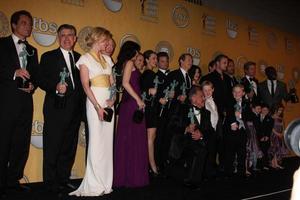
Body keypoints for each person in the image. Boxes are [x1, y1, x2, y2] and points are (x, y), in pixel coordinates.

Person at [69, 27, 115, 196]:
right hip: (95, 102)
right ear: (96, 40)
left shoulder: (108, 59)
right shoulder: (85, 59)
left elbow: (113, 83)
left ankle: (105, 183)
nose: (108, 43)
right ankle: (94, 184)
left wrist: (113, 98)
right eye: (105, 40)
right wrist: (97, 107)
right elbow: (85, 86)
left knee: (107, 144)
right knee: (96, 143)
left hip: (109, 103)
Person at [39, 24, 84, 192]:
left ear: (75, 38)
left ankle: (63, 180)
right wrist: (55, 86)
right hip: (56, 110)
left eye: (70, 35)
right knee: (52, 148)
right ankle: (50, 184)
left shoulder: (81, 58)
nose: (66, 38)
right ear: (58, 38)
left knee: (68, 148)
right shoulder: (48, 56)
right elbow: (41, 79)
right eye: (63, 35)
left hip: (75, 110)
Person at [0, 10, 38, 195]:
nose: (28, 26)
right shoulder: (1, 44)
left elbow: (35, 75)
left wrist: (33, 86)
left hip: (25, 103)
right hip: (5, 104)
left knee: (20, 145)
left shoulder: (33, 50)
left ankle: (13, 181)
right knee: (3, 143)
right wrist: (14, 72)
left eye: (30, 24)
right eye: (24, 23)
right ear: (14, 25)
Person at [113, 41, 149, 187]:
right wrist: (138, 99)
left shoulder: (128, 63)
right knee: (132, 139)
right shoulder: (129, 63)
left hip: (131, 103)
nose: (137, 54)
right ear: (131, 51)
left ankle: (130, 176)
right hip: (131, 104)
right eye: (136, 51)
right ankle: (130, 177)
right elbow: (126, 83)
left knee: (131, 140)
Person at [168, 86, 213, 189]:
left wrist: (201, 134)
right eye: (201, 96)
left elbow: (210, 131)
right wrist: (186, 129)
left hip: (199, 145)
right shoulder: (182, 109)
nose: (204, 98)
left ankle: (193, 181)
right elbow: (171, 127)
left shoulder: (206, 113)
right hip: (183, 144)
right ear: (193, 98)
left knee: (201, 149)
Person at [224, 84, 251, 177]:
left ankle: (241, 173)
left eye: (239, 92)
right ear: (232, 93)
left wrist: (239, 115)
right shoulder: (229, 101)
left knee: (242, 153)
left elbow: (248, 116)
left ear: (243, 93)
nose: (236, 94)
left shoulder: (246, 103)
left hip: (242, 132)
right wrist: (232, 123)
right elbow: (229, 112)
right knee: (229, 153)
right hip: (231, 131)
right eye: (234, 92)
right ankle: (229, 173)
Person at [140, 50, 159, 175]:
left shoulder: (149, 73)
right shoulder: (148, 74)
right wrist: (149, 91)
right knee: (150, 138)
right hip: (150, 109)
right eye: (153, 58)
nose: (155, 61)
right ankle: (152, 167)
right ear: (146, 60)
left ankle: (149, 166)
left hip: (151, 108)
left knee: (151, 138)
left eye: (156, 58)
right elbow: (142, 90)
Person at [268, 104, 289, 169]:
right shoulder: (272, 117)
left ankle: (275, 163)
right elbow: (271, 128)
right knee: (274, 149)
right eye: (279, 110)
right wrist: (277, 134)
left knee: (278, 149)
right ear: (276, 109)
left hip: (279, 135)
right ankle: (274, 163)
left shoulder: (281, 118)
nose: (280, 111)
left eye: (281, 110)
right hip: (274, 135)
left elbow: (283, 127)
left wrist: (282, 133)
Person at [257, 104, 274, 170]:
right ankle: (257, 165)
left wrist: (266, 136)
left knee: (265, 151)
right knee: (257, 151)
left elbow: (269, 129)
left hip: (265, 138)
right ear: (261, 110)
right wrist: (259, 136)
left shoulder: (270, 119)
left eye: (266, 110)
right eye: (264, 110)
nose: (265, 111)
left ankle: (265, 165)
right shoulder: (257, 116)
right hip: (257, 137)